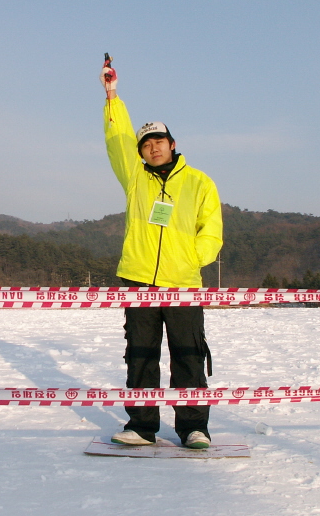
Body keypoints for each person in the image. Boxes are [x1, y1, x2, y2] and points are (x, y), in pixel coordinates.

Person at [100, 60, 223, 449]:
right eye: (146, 145)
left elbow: (212, 233)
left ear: (173, 144)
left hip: (183, 281)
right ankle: (141, 425)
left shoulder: (200, 182)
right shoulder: (135, 178)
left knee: (188, 355)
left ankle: (193, 427)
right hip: (138, 279)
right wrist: (112, 97)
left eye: (159, 142)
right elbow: (117, 139)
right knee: (141, 355)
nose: (153, 148)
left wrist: (190, 259)